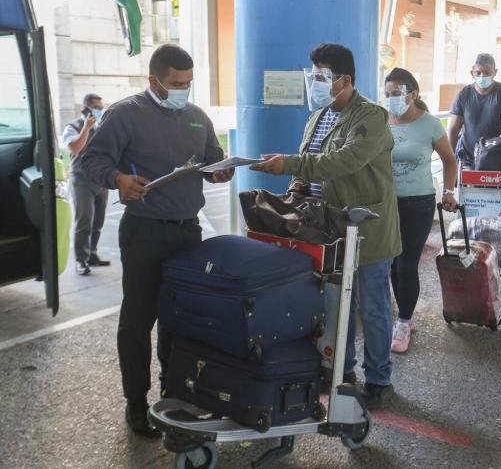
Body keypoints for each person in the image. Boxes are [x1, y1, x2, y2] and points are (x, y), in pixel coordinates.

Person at [81, 44, 234, 437]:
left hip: (187, 230)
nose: (184, 89)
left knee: (180, 316)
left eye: (188, 82)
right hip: (145, 231)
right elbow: (90, 161)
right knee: (138, 320)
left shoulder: (197, 116)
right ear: (153, 81)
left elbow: (212, 160)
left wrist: (220, 173)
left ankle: (174, 390)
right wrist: (119, 180)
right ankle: (136, 403)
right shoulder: (124, 114)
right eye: (176, 84)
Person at [251, 43, 401, 409]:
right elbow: (311, 163)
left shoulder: (372, 117)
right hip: (328, 229)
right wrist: (298, 183)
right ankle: (341, 369)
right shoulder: (318, 116)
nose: (314, 83)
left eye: (320, 77)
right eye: (312, 75)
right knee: (336, 305)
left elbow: (343, 161)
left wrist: (289, 164)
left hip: (367, 228)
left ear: (344, 80)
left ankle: (379, 378)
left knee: (374, 307)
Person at [382, 68, 457, 353]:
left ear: (412, 94)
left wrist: (449, 192)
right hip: (386, 202)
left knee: (406, 263)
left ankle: (403, 322)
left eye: (397, 93)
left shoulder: (429, 124)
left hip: (419, 202)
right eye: (388, 94)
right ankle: (403, 314)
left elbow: (449, 160)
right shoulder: (380, 121)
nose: (391, 99)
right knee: (390, 263)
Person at [62, 94, 111, 275]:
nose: (100, 110)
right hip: (82, 180)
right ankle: (80, 260)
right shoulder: (73, 127)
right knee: (84, 222)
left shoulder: (102, 126)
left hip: (101, 179)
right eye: (97, 108)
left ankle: (92, 255)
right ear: (87, 109)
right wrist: (86, 128)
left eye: (101, 107)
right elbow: (75, 148)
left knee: (98, 221)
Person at [447, 53, 501, 168]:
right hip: (467, 159)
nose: (482, 76)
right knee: (466, 186)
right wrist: (449, 157)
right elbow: (453, 129)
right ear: (472, 73)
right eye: (478, 73)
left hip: (495, 158)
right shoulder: (463, 94)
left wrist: (489, 154)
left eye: (487, 72)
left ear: (495, 72)